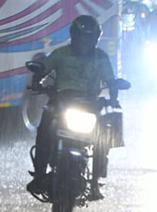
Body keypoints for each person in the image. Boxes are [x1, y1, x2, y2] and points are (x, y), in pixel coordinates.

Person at [27, 15, 119, 201]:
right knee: (44, 129)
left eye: (89, 39)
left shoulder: (101, 57)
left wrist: (113, 96)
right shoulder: (61, 54)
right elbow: (43, 68)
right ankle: (39, 175)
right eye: (81, 38)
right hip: (61, 102)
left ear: (95, 40)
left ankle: (94, 183)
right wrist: (37, 82)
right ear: (74, 37)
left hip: (90, 104)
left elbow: (111, 81)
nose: (84, 43)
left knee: (103, 134)